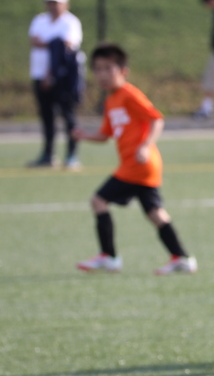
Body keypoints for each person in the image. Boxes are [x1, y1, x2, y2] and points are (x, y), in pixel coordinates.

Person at [72, 44, 197, 275]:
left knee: (98, 201)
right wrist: (85, 136)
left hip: (137, 164)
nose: (102, 74)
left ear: (123, 71)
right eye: (97, 69)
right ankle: (182, 258)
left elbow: (156, 119)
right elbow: (106, 134)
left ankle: (109, 257)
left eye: (108, 68)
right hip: (140, 166)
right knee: (155, 214)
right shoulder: (111, 101)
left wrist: (145, 146)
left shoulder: (129, 94)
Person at [27, 0, 83, 169]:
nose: (53, 6)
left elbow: (65, 47)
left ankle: (72, 155)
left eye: (57, 2)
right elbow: (35, 41)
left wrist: (50, 74)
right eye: (50, 2)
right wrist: (54, 42)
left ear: (65, 4)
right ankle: (48, 155)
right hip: (38, 75)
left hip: (63, 78)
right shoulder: (40, 20)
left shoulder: (70, 22)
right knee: (46, 116)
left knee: (68, 116)